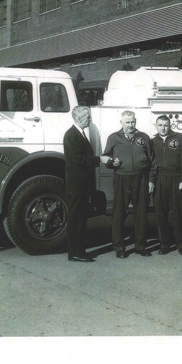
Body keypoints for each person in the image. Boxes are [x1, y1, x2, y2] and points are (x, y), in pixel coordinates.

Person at [103, 110, 156, 258]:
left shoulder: (144, 137)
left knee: (141, 214)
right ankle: (120, 248)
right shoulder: (114, 138)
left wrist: (151, 180)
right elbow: (106, 156)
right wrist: (112, 162)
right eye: (127, 122)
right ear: (121, 123)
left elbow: (152, 160)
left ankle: (141, 246)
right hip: (122, 179)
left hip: (141, 178)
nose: (130, 125)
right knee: (119, 213)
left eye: (132, 122)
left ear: (135, 121)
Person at [63, 106, 111, 263]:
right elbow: (79, 160)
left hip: (81, 185)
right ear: (78, 118)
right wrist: (100, 159)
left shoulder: (79, 134)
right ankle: (75, 252)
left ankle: (79, 250)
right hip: (77, 186)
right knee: (76, 219)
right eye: (87, 117)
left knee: (81, 218)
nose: (90, 119)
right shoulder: (72, 135)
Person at [151, 115, 182, 256]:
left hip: (176, 178)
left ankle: (181, 244)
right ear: (156, 126)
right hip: (160, 179)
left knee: (178, 213)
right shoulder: (153, 141)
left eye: (166, 125)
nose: (163, 128)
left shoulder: (180, 138)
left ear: (170, 125)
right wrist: (152, 180)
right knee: (161, 213)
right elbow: (151, 163)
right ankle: (164, 244)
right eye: (160, 125)